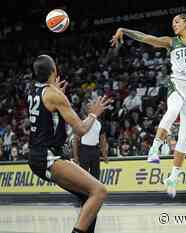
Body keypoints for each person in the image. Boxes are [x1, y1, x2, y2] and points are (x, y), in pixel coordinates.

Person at [111, 13, 186, 198]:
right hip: (177, 84)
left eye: (177, 22)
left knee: (185, 135)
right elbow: (146, 38)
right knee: (173, 109)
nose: (174, 25)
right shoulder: (171, 41)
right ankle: (155, 147)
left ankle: (173, 177)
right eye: (172, 23)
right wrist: (124, 30)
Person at [27, 55, 111, 233]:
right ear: (54, 70)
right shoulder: (55, 95)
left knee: (89, 197)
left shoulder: (33, 90)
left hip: (37, 155)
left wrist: (56, 92)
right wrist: (94, 114)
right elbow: (80, 129)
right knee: (99, 191)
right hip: (49, 157)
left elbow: (48, 110)